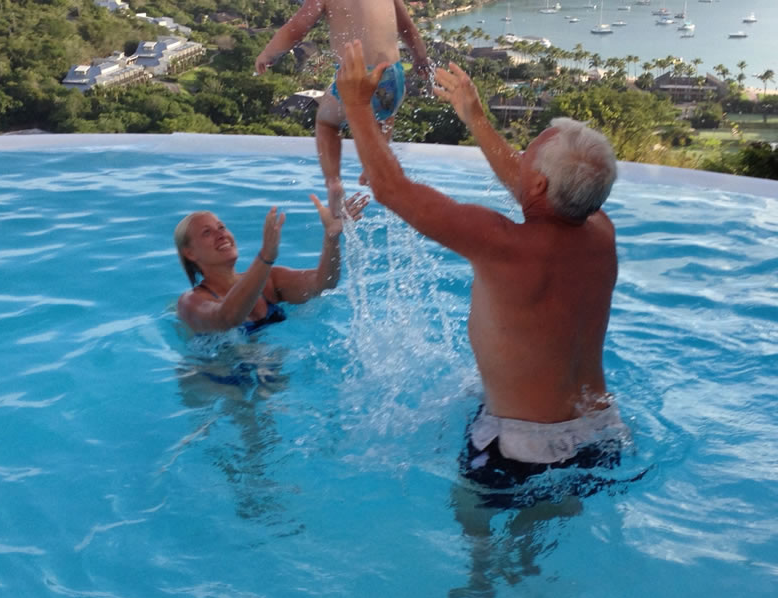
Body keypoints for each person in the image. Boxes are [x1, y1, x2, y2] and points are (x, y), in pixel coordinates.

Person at [334, 41, 629, 495]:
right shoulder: (601, 231)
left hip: (521, 448)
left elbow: (391, 189)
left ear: (539, 183)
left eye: (526, 153)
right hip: (602, 433)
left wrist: (356, 106)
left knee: (477, 535)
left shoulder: (502, 244)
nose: (519, 157)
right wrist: (474, 117)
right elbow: (538, 187)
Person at [255, 0, 429, 206]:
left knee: (327, 123)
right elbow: (408, 28)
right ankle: (375, 165)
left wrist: (269, 53)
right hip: (393, 77)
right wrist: (420, 59)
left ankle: (333, 181)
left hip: (357, 78)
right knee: (384, 115)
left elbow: (297, 28)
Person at [174, 192, 368, 334]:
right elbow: (227, 318)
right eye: (207, 233)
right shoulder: (190, 302)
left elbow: (324, 283)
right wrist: (265, 256)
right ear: (189, 253)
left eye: (221, 227)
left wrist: (331, 237)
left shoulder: (271, 280)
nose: (220, 234)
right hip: (214, 375)